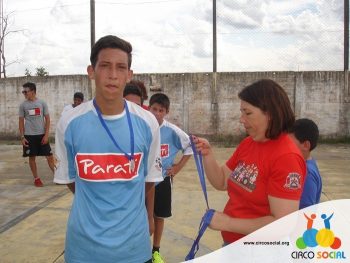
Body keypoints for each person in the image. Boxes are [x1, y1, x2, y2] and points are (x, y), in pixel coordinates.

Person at [54, 35, 163, 263]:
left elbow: (148, 180)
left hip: (134, 250)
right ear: (91, 71)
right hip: (83, 250)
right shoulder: (69, 123)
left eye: (121, 67)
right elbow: (71, 179)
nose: (113, 74)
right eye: (105, 66)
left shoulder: (148, 123)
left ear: (129, 75)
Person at [193, 79, 306, 244]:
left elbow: (283, 224)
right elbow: (222, 181)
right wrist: (208, 154)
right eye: (241, 112)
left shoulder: (286, 158)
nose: (241, 119)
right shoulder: (249, 143)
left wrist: (227, 223)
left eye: (248, 113)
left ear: (270, 113)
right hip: (234, 245)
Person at [148, 93, 193, 263]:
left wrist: (177, 167)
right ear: (148, 108)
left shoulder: (173, 131)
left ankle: (156, 251)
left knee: (159, 216)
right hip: (143, 181)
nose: (157, 113)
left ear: (166, 112)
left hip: (162, 180)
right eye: (154, 109)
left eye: (161, 110)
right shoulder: (142, 126)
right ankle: (140, 250)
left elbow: (190, 147)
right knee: (142, 216)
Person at [19, 82, 55, 187]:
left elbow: (47, 119)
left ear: (33, 91)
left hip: (42, 135)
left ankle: (58, 176)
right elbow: (21, 121)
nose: (24, 93)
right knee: (32, 157)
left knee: (49, 156)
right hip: (29, 136)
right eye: (23, 92)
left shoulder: (42, 103)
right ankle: (36, 178)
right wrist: (22, 137)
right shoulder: (23, 105)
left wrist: (46, 135)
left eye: (26, 91)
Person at [289, 118, 322, 209]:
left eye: (289, 143)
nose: (285, 147)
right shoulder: (309, 162)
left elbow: (305, 213)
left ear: (306, 145)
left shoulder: (307, 174)